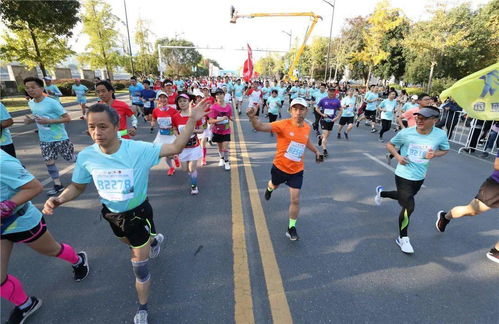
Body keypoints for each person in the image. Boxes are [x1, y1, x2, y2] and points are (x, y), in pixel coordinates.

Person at [42, 100, 210, 324]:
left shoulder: (138, 150)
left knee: (138, 265)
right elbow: (78, 187)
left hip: (138, 213)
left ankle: (143, 308)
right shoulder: (86, 157)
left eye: (103, 126)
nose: (97, 132)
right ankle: (153, 240)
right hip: (112, 215)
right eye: (92, 126)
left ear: (115, 126)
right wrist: (59, 199)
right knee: (130, 243)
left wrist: (191, 120)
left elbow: (175, 148)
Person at [1, 150, 89, 324]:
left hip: (22, 222)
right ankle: (26, 305)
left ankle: (78, 260)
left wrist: (7, 205)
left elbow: (34, 187)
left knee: (53, 250)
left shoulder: (2, 161)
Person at [375, 106, 449, 254]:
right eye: (418, 117)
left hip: (420, 175)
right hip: (403, 174)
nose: (419, 120)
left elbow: (445, 150)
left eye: (424, 118)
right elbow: (389, 144)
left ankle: (381, 193)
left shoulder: (440, 135)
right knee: (409, 206)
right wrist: (397, 157)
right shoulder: (406, 133)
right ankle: (403, 238)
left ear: (435, 120)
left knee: (404, 197)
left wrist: (434, 154)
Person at [247, 97, 323, 241]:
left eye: (301, 109)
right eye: (295, 109)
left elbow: (305, 140)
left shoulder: (307, 127)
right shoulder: (283, 124)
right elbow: (260, 127)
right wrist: (252, 118)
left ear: (306, 111)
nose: (298, 112)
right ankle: (269, 189)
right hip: (280, 167)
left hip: (297, 170)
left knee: (295, 199)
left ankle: (291, 227)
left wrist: (316, 151)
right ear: (290, 110)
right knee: (274, 185)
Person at [436, 151, 499, 263]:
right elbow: (497, 165)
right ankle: (445, 217)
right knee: (471, 211)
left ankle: (497, 251)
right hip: (496, 186)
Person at [23, 77, 75, 196]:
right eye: (27, 88)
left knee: (70, 159)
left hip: (59, 137)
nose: (30, 90)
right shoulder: (31, 103)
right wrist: (31, 120)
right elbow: (38, 117)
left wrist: (49, 121)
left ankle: (89, 165)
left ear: (41, 88)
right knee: (49, 161)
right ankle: (57, 184)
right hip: (45, 139)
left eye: (33, 87)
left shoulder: (52, 102)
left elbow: (67, 118)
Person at [172, 93, 204, 194]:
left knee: (192, 168)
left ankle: (194, 186)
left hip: (194, 145)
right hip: (183, 147)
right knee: (185, 169)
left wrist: (193, 130)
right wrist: (178, 136)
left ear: (189, 102)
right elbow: (174, 128)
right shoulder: (176, 116)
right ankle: (192, 175)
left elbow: (202, 129)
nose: (182, 103)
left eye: (184, 101)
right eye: (180, 101)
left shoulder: (194, 115)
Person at [151, 91, 181, 176]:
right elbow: (153, 118)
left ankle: (175, 157)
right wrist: (152, 123)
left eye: (164, 97)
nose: (163, 99)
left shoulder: (173, 110)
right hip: (162, 135)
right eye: (161, 97)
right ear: (158, 99)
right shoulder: (156, 110)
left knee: (172, 152)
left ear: (167, 99)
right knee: (165, 154)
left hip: (171, 134)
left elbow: (177, 121)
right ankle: (171, 168)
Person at [208, 88, 233, 171]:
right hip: (217, 130)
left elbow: (229, 117)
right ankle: (221, 158)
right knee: (220, 147)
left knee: (225, 147)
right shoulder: (213, 107)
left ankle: (226, 161)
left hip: (226, 130)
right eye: (217, 94)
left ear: (224, 95)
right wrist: (220, 119)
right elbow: (211, 120)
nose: (219, 95)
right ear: (215, 96)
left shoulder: (229, 107)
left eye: (221, 93)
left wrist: (231, 120)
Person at [316, 87, 342, 157]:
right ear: (327, 92)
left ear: (335, 93)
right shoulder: (323, 100)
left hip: (331, 120)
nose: (331, 93)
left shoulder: (337, 101)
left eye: (333, 92)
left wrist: (336, 118)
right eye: (330, 91)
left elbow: (341, 110)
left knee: (326, 136)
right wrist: (322, 114)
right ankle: (324, 150)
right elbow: (317, 108)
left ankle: (321, 138)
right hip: (324, 120)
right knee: (326, 133)